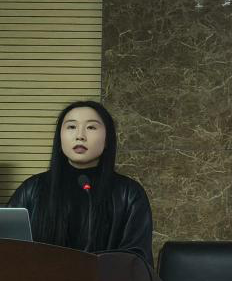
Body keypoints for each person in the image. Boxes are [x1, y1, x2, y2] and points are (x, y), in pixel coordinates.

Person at [7, 100, 154, 269]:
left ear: (107, 139)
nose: (80, 136)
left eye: (91, 127)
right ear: (59, 138)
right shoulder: (32, 189)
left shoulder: (129, 193)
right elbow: (8, 248)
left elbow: (137, 260)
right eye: (71, 127)